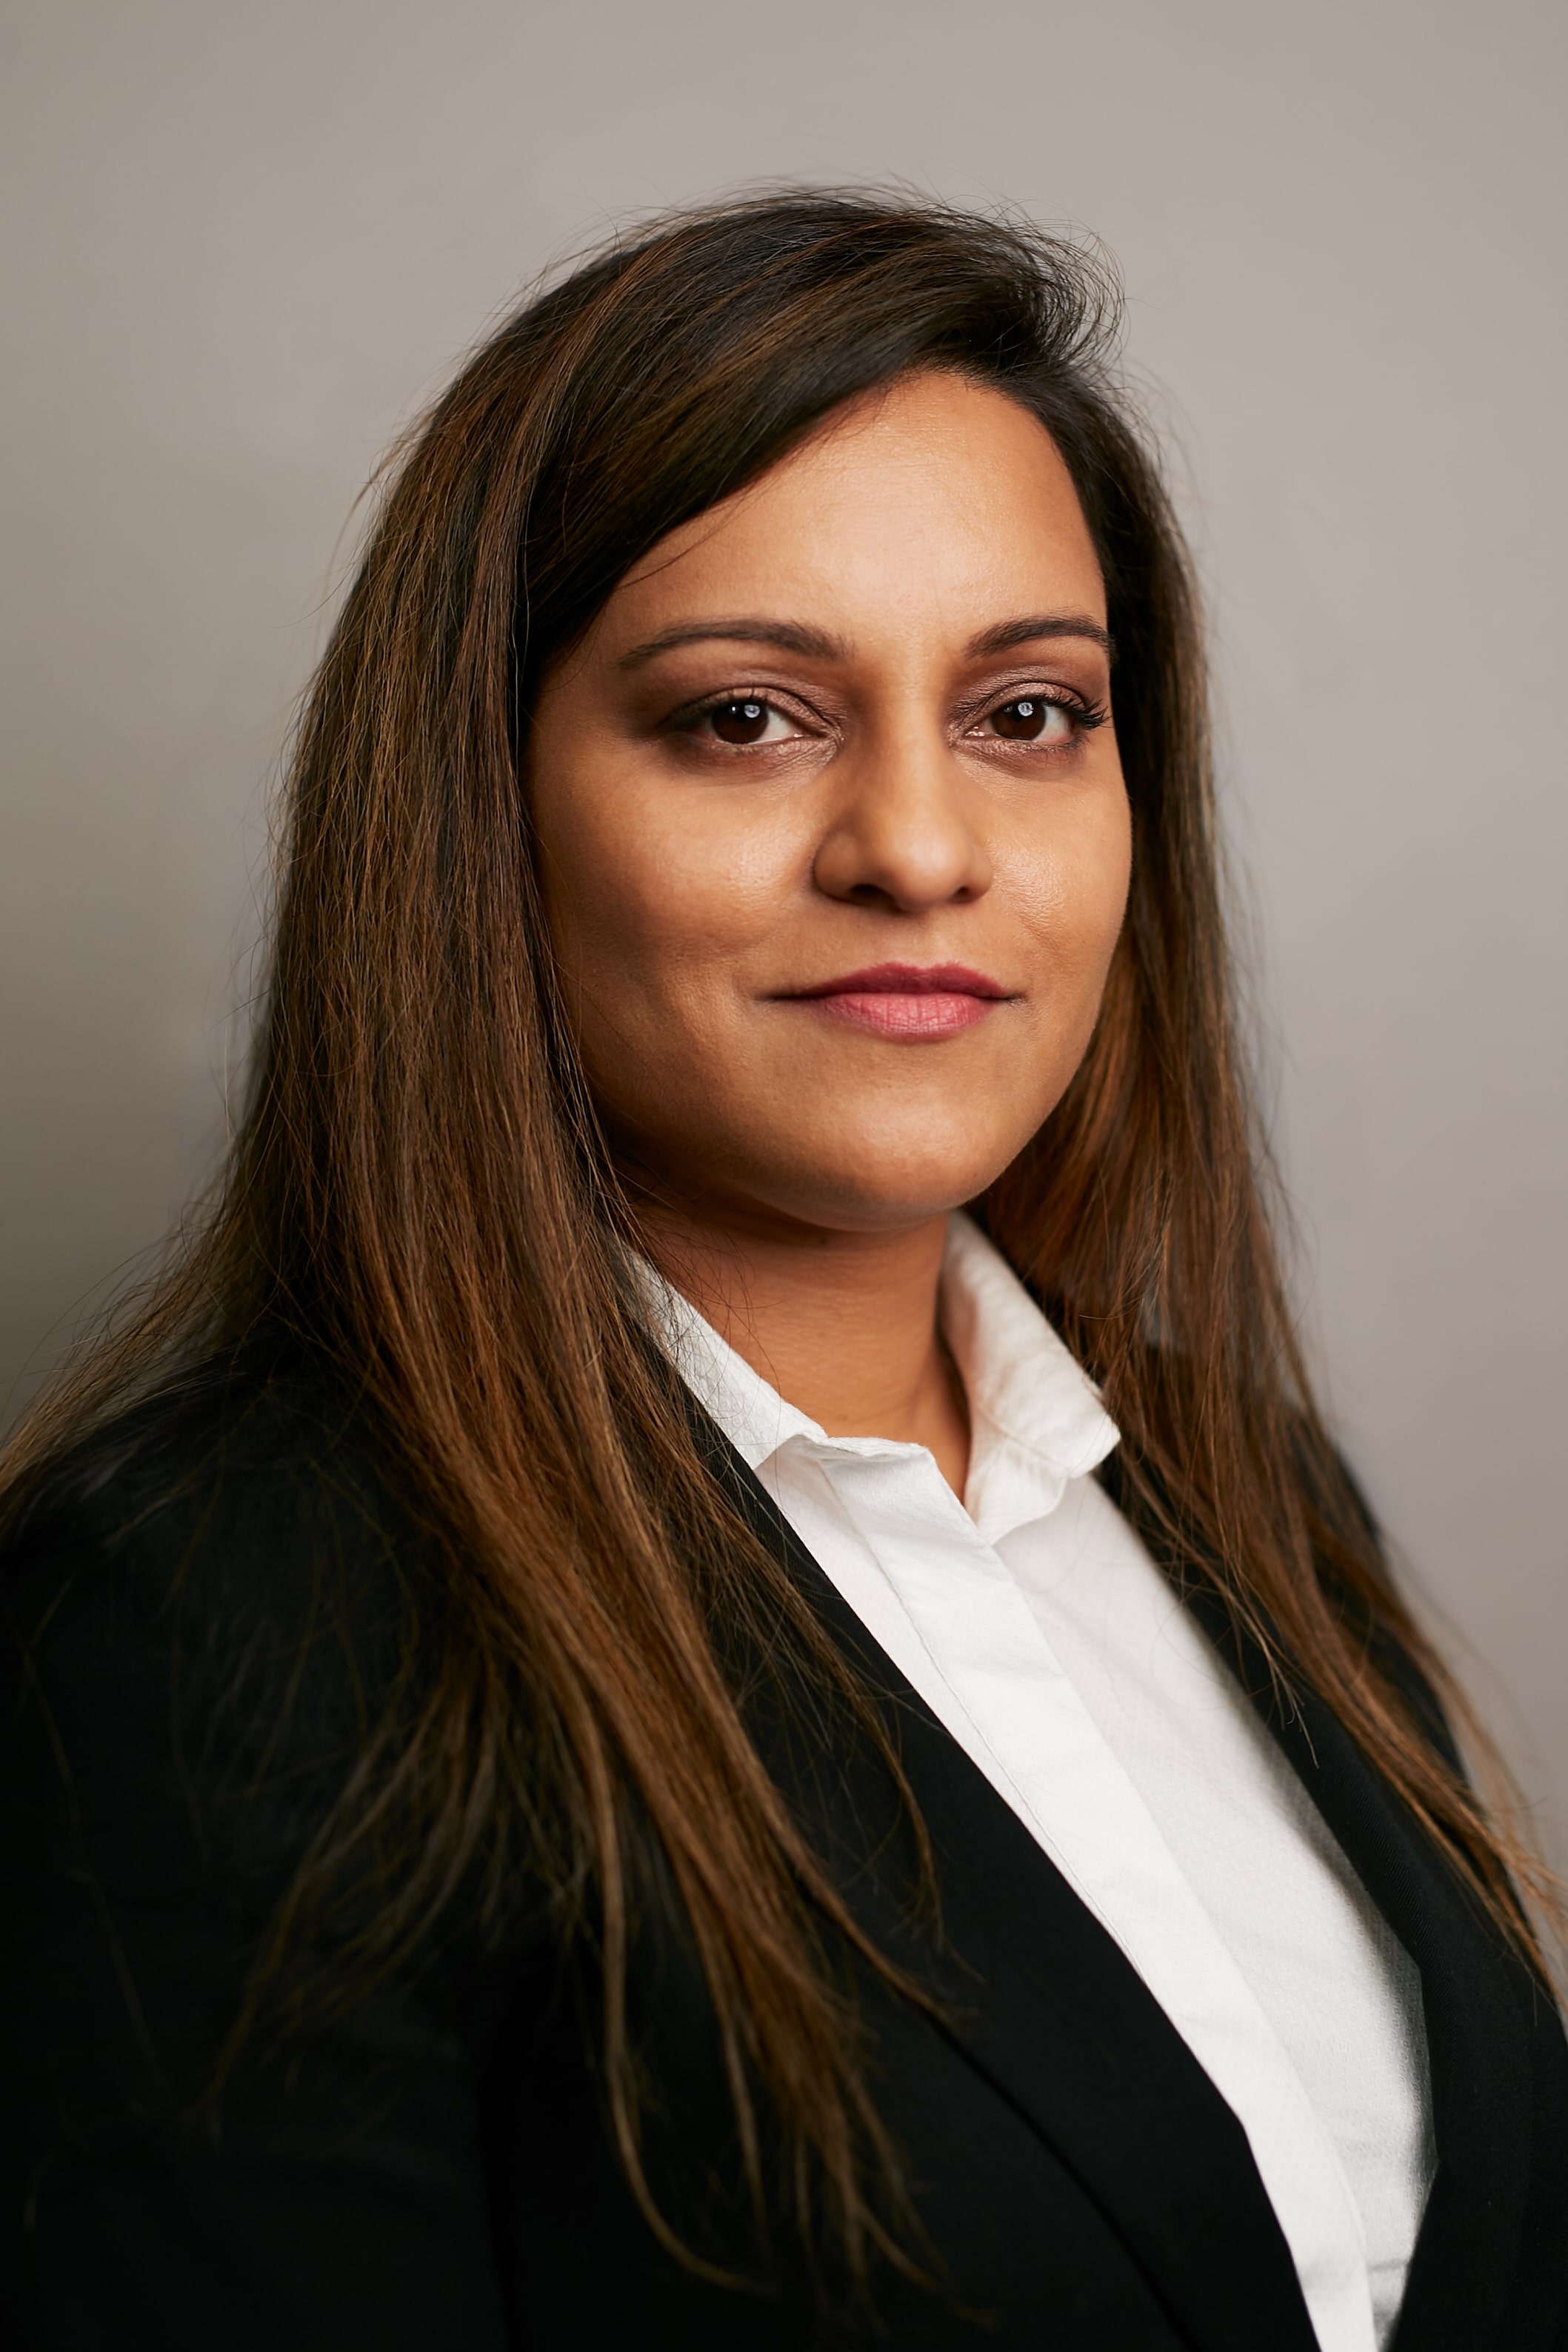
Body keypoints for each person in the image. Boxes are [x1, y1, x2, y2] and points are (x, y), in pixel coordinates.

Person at [1, 191, 1562, 2352]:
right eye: (747, 718)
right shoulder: (210, 1621)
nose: (921, 848)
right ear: (487, 803)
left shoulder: (1253, 1495)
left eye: (1030, 713)